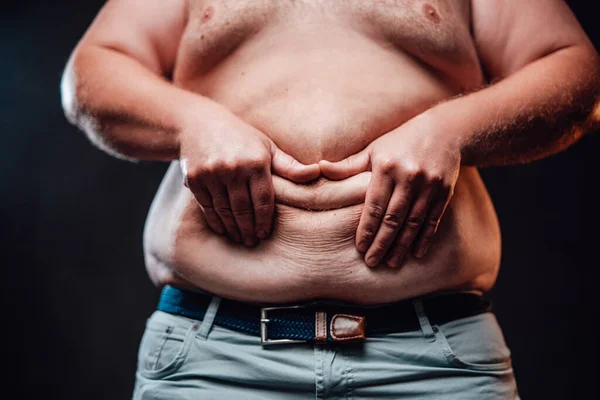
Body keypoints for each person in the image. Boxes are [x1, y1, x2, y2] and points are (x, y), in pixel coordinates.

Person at [61, 0, 599, 398]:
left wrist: (450, 131)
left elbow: (575, 70)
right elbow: (91, 72)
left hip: (433, 364)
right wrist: (193, 122)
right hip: (212, 358)